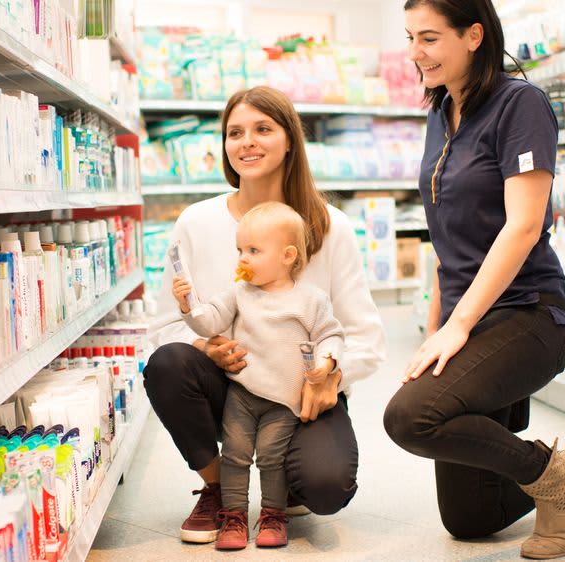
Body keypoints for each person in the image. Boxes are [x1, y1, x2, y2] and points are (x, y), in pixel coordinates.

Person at [382, 1, 565, 560]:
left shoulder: (519, 105)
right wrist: (434, 331)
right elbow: (443, 241)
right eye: (409, 37)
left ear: (474, 35)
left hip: (528, 315)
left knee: (409, 418)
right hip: (467, 319)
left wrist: (456, 328)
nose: (414, 53)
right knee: (471, 520)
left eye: (428, 38)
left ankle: (555, 482)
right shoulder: (440, 113)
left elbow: (523, 227)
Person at [145, 85, 386, 545]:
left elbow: (364, 337)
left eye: (262, 129)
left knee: (326, 486)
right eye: (234, 132)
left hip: (302, 393)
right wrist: (206, 347)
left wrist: (330, 373)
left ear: (291, 139)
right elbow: (163, 329)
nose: (246, 142)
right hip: (229, 388)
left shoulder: (331, 226)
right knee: (169, 363)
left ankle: (289, 477)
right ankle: (217, 489)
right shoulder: (196, 222)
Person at [171, 201, 345, 550]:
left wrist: (326, 365)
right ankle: (233, 517)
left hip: (284, 400)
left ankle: (273, 515)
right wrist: (189, 305)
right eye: (239, 250)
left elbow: (331, 335)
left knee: (270, 456)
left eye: (253, 250)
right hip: (243, 393)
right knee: (234, 453)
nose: (242, 259)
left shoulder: (311, 300)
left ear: (287, 255)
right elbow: (208, 321)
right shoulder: (239, 294)